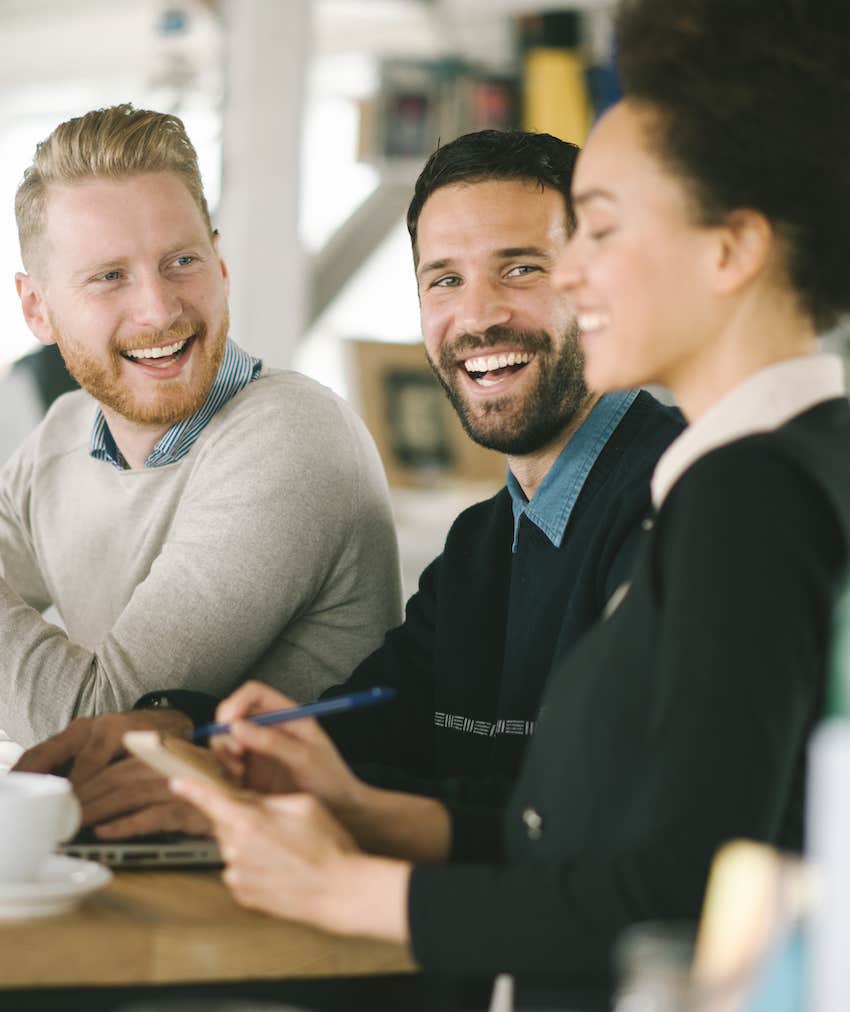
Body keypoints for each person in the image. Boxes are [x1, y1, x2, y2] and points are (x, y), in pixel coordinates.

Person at [172, 0, 850, 1012]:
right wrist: (357, 806)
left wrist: (353, 890)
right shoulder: (752, 473)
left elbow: (676, 901)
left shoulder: (747, 493)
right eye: (444, 277)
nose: (570, 276)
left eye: (600, 232)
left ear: (731, 249)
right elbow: (593, 835)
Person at [18, 130, 681, 840]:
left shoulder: (684, 500)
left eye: (521, 269)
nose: (480, 315)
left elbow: (618, 827)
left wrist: (281, 800)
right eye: (446, 280)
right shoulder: (484, 545)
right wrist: (181, 732)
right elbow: (371, 726)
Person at [1, 104, 401, 757]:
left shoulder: (292, 436)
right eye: (109, 277)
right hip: (131, 850)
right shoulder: (65, 431)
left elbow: (107, 728)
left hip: (280, 853)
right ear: (36, 308)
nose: (158, 310)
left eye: (180, 261)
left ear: (220, 265)